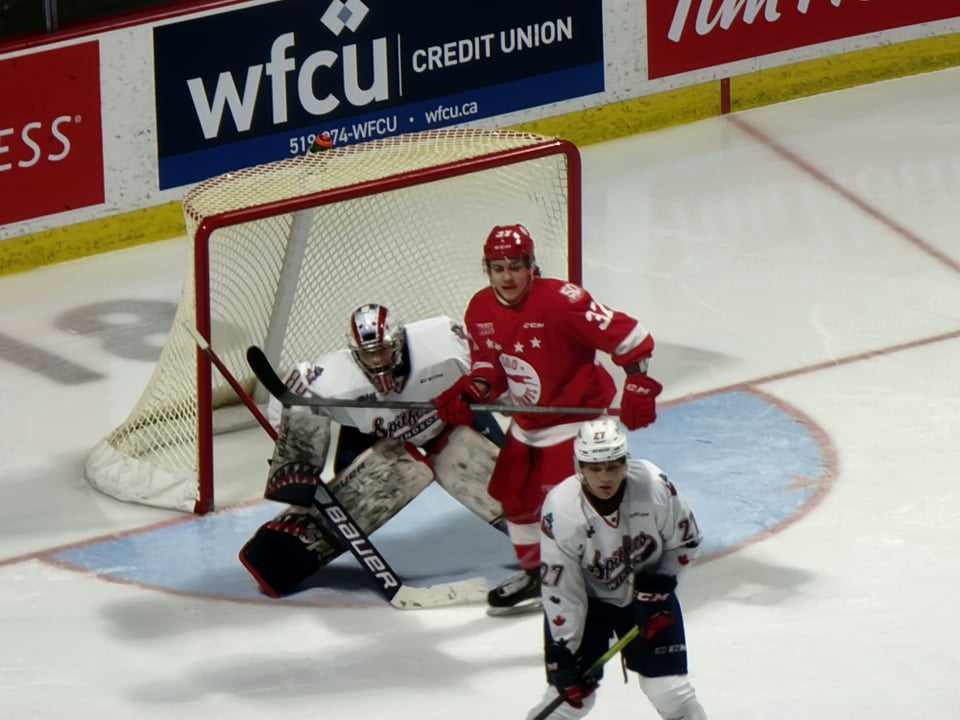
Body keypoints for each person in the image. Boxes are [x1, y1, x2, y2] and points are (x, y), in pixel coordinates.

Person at [431, 223, 663, 615]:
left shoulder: (561, 301)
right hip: (529, 423)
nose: (507, 277)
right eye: (498, 268)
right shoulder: (480, 309)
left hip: (576, 420)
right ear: (488, 270)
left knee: (572, 506)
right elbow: (489, 367)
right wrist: (471, 393)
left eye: (516, 266)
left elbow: (632, 336)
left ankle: (601, 572)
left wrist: (638, 382)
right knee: (516, 498)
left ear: (531, 266)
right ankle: (538, 574)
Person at [240, 303, 506, 597]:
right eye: (368, 353)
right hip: (371, 435)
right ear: (355, 353)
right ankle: (298, 541)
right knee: (352, 497)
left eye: (384, 349)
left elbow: (492, 369)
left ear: (399, 342)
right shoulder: (336, 377)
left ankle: (537, 528)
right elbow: (292, 397)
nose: (377, 359)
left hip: (449, 419)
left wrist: (476, 395)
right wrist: (295, 453)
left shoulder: (442, 340)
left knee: (511, 478)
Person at [526, 417, 707, 720]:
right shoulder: (562, 509)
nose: (604, 477)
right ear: (579, 467)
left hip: (648, 597)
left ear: (625, 463)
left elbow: (687, 542)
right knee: (569, 701)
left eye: (612, 466)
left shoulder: (654, 485)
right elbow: (561, 587)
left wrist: (659, 584)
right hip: (588, 605)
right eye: (594, 468)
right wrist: (563, 650)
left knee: (669, 691)